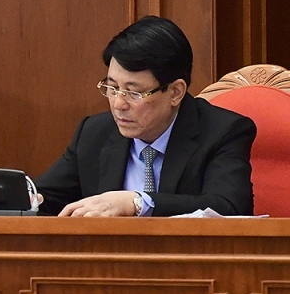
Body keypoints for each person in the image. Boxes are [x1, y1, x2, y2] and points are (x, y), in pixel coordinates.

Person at [33, 16, 256, 217]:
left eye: (133, 92)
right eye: (112, 88)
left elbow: (228, 207)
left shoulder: (223, 131)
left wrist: (138, 202)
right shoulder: (95, 132)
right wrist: (17, 195)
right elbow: (45, 197)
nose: (119, 104)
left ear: (175, 92)